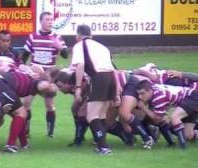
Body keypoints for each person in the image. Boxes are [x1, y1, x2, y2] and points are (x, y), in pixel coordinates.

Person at [72, 25, 126, 155]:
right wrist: (117, 91)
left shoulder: (79, 45)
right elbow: (114, 70)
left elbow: (80, 65)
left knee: (91, 116)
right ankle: (100, 145)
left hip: (98, 78)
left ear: (77, 36)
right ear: (91, 35)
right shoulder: (102, 47)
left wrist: (78, 87)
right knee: (101, 115)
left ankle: (104, 147)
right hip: (111, 79)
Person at [22, 11, 69, 137]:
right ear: (41, 21)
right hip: (34, 75)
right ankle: (26, 131)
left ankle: (50, 132)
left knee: (49, 104)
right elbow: (24, 56)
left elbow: (66, 55)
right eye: (47, 19)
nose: (50, 22)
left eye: (51, 20)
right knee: (26, 103)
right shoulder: (33, 36)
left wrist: (60, 47)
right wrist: (24, 68)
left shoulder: (56, 37)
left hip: (49, 76)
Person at [136, 80, 198, 149]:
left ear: (150, 91)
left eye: (142, 93)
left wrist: (143, 107)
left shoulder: (158, 97)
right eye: (138, 94)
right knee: (188, 135)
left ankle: (183, 148)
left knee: (175, 117)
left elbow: (157, 118)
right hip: (187, 100)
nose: (140, 97)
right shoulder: (153, 89)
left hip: (192, 97)